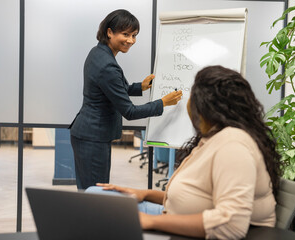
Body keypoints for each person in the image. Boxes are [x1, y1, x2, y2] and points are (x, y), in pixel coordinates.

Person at [93, 65, 282, 239]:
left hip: (188, 230)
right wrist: (144, 193)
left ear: (206, 108)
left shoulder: (233, 146)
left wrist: (149, 221)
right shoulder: (213, 138)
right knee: (97, 195)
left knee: (98, 216)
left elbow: (231, 224)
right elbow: (195, 197)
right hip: (174, 214)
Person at [69, 9, 183, 190]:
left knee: (91, 191)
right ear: (109, 32)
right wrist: (163, 103)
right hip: (93, 136)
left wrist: (141, 87)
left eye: (134, 35)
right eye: (125, 34)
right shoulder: (108, 65)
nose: (131, 40)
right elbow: (129, 112)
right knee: (93, 194)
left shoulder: (98, 53)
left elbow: (111, 89)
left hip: (88, 133)